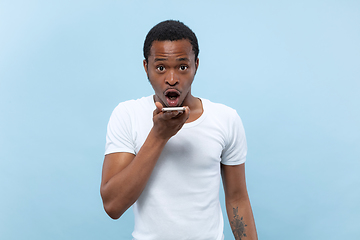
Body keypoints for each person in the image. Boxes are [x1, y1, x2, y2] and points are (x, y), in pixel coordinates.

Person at [100, 20, 257, 240]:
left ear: (196, 65)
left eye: (182, 67)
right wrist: (159, 135)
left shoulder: (226, 119)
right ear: (146, 67)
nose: (172, 79)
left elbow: (237, 199)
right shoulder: (127, 115)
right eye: (161, 68)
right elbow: (113, 206)